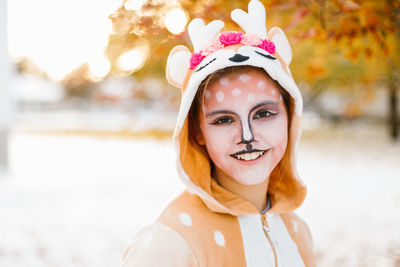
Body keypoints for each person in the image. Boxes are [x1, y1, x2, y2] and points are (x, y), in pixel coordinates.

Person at [122, 0, 315, 266]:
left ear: (290, 116)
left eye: (263, 114)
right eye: (224, 119)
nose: (247, 137)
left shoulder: (298, 232)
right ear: (197, 130)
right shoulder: (169, 242)